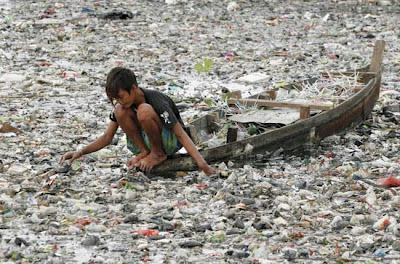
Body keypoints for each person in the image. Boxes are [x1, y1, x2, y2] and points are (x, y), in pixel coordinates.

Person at [59, 67, 216, 175]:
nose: (119, 101)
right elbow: (107, 137)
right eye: (115, 99)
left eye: (121, 96)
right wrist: (79, 152)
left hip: (170, 142)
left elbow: (181, 134)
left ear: (133, 89)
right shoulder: (123, 106)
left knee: (144, 111)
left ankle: (157, 154)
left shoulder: (156, 101)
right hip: (147, 142)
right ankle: (144, 151)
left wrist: (202, 164)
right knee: (120, 111)